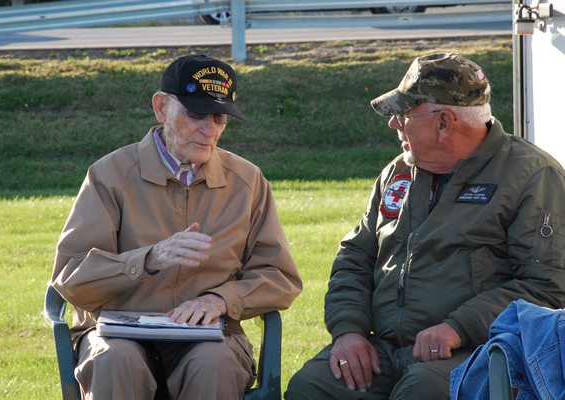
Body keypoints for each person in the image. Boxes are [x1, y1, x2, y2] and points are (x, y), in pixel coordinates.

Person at [285, 52, 565, 400]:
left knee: (421, 390)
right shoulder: (399, 171)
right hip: (386, 349)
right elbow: (355, 258)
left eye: (404, 115)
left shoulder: (531, 176)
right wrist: (348, 331)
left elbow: (548, 287)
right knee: (310, 387)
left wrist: (459, 327)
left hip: (480, 348)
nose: (394, 124)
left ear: (444, 123)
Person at [50, 54, 302, 400]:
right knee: (115, 360)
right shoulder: (110, 175)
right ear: (160, 108)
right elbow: (71, 277)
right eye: (195, 114)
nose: (210, 130)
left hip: (211, 338)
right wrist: (148, 259)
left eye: (219, 117)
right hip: (118, 334)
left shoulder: (247, 181)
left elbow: (279, 276)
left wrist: (221, 299)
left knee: (215, 365)